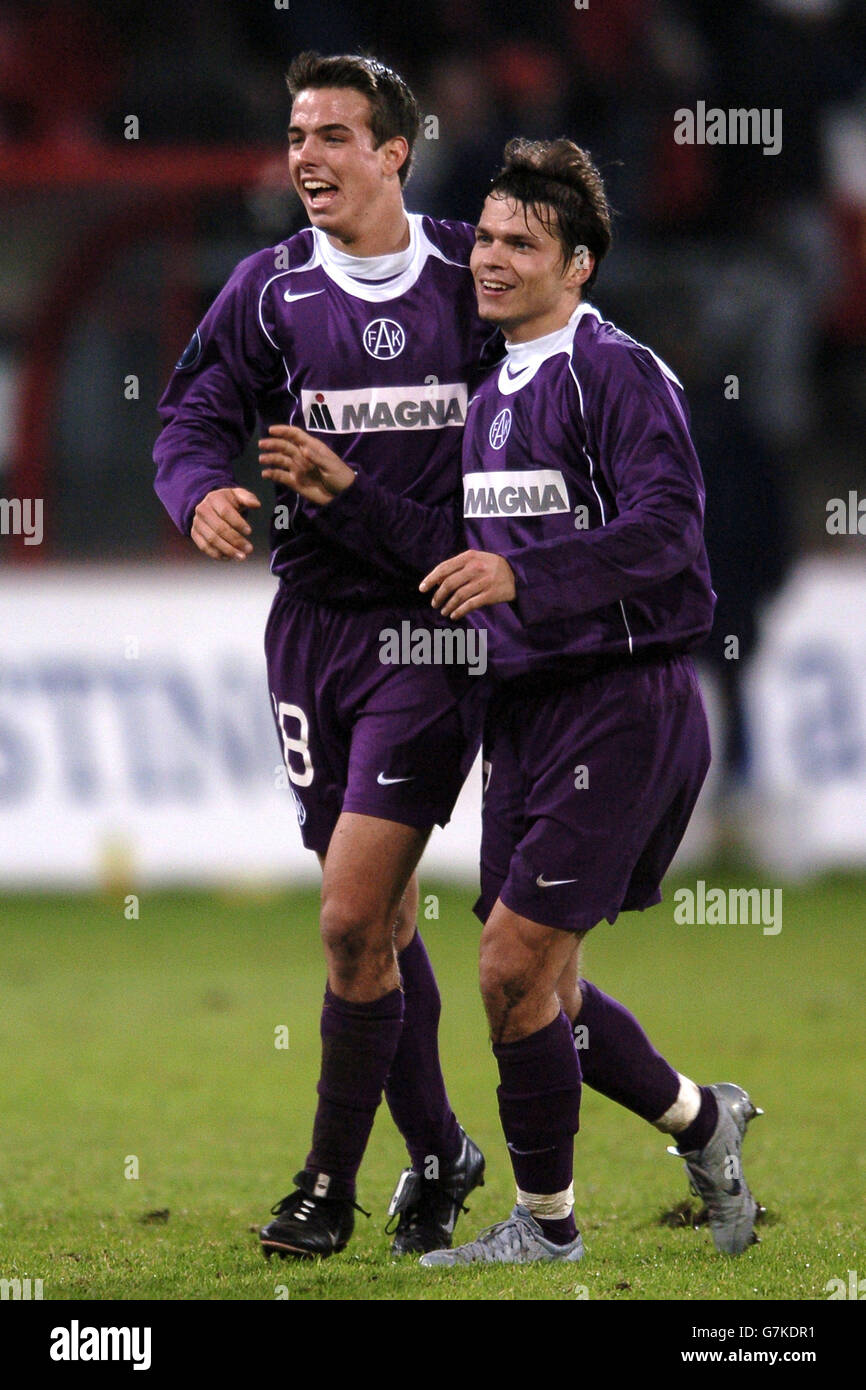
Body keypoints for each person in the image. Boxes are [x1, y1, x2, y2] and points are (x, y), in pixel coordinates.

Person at [271, 138, 763, 1266]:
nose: (486, 260)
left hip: (620, 703)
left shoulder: (615, 373)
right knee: (548, 991)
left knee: (505, 968)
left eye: (518, 244)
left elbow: (668, 541)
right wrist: (343, 491)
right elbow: (452, 554)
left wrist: (525, 575)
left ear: (576, 265)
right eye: (484, 237)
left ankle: (545, 1227)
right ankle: (700, 1115)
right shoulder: (488, 389)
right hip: (524, 711)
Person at [153, 51, 495, 1261]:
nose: (306, 156)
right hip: (310, 633)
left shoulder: (473, 272)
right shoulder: (267, 291)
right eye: (297, 135)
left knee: (351, 916)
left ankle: (323, 1187)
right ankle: (444, 1148)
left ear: (394, 151)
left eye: (334, 135)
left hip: (427, 632)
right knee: (382, 923)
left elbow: (566, 369)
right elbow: (191, 415)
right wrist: (198, 491)